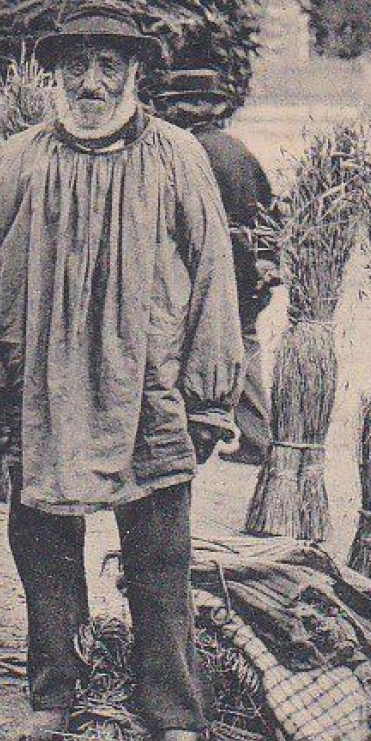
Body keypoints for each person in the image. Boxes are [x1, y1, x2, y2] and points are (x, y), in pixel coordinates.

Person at [0, 6, 244, 741]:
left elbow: (213, 276)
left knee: (160, 552)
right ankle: (55, 695)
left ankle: (175, 719)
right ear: (54, 75)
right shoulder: (22, 159)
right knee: (42, 543)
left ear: (136, 74)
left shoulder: (176, 157)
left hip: (148, 388)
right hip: (43, 388)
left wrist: (209, 395)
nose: (92, 82)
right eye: (75, 65)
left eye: (110, 63)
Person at [155, 68, 279, 465]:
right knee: (244, 341)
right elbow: (270, 214)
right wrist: (267, 262)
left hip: (211, 268)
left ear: (185, 109)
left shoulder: (184, 151)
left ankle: (209, 432)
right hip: (248, 269)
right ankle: (256, 434)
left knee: (207, 343)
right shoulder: (237, 150)